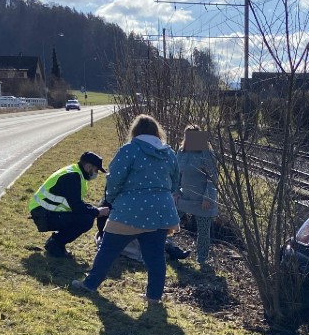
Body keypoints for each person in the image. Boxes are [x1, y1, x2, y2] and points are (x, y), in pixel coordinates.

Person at [73, 115, 179, 302]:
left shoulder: (129, 150)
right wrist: (162, 195)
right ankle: (154, 296)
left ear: (135, 131)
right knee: (155, 256)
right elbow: (176, 181)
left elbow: (114, 179)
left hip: (130, 209)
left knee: (108, 248)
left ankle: (90, 285)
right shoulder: (169, 153)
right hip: (161, 211)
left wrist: (111, 199)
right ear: (157, 132)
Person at [28, 151, 109, 258]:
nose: (96, 173)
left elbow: (76, 203)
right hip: (42, 214)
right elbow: (77, 207)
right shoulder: (72, 177)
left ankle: (56, 242)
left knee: (86, 215)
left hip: (44, 211)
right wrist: (97, 212)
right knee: (86, 220)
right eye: (96, 170)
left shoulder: (75, 173)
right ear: (88, 166)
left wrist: (93, 209)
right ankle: (55, 244)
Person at [175, 125, 219, 267]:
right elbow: (176, 174)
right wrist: (175, 191)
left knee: (203, 230)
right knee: (170, 221)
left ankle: (202, 258)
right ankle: (169, 249)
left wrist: (207, 197)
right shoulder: (181, 152)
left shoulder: (207, 154)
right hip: (184, 197)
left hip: (202, 199)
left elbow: (212, 178)